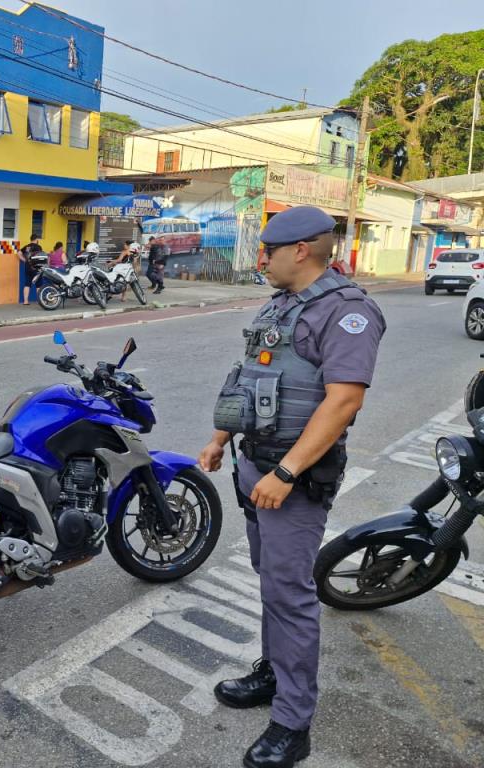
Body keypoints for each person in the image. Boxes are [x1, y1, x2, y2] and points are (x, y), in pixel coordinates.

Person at [197, 206, 385, 768]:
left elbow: (344, 399)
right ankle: (275, 672)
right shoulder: (280, 304)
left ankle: (293, 722)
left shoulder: (348, 312)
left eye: (269, 251)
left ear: (300, 249)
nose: (262, 261)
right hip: (255, 468)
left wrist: (286, 473)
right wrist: (218, 437)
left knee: (291, 594)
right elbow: (251, 379)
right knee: (272, 584)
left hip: (291, 480)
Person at [18, 232, 44, 304]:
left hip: (28, 267)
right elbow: (40, 256)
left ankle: (25, 301)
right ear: (36, 239)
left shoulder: (26, 247)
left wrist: (24, 260)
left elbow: (19, 253)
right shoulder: (38, 247)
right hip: (36, 268)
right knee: (38, 285)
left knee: (27, 284)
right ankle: (40, 301)